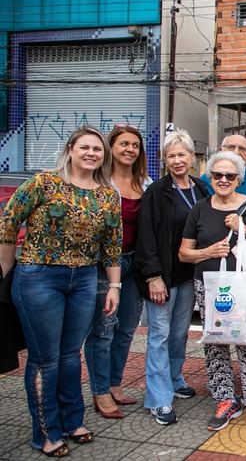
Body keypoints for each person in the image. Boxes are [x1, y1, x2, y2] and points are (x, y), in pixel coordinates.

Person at [0, 125, 122, 456]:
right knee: (45, 359)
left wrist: (114, 286)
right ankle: (45, 432)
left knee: (71, 356)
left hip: (83, 279)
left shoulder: (108, 194)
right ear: (70, 149)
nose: (91, 154)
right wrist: (6, 269)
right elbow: (8, 222)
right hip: (40, 276)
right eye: (85, 147)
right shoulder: (44, 183)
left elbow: (112, 243)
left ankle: (73, 421)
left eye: (98, 149)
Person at [179, 151, 246, 436]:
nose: (223, 180)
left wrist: (244, 230)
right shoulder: (199, 208)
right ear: (210, 178)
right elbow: (184, 253)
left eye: (230, 175)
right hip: (209, 286)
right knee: (215, 345)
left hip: (245, 288)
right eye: (217, 175)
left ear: (239, 179)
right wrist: (207, 252)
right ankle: (225, 400)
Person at [135, 129, 207, 426]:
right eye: (171, 156)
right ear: (164, 160)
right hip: (163, 275)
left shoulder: (202, 188)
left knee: (179, 333)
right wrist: (153, 276)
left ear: (193, 157)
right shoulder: (157, 191)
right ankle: (158, 398)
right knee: (159, 336)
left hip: (190, 275)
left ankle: (175, 377)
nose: (177, 160)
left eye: (182, 154)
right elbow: (146, 237)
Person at [84, 125, 148, 420]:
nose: (129, 150)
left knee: (126, 328)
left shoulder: (145, 183)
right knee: (103, 329)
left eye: (135, 145)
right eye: (124, 144)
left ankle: (114, 383)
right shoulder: (98, 182)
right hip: (103, 264)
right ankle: (99, 391)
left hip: (135, 263)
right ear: (111, 147)